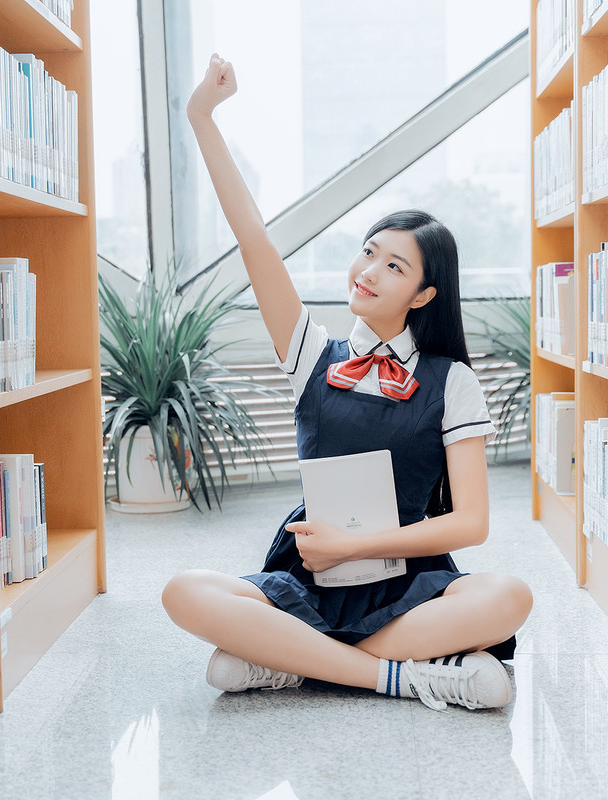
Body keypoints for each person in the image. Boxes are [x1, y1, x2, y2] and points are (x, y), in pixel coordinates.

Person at [161, 54, 533, 711]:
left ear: (423, 295)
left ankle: (288, 661)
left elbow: (470, 523)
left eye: (394, 266)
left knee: (509, 598)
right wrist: (202, 117)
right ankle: (401, 675)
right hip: (311, 569)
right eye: (369, 251)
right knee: (183, 591)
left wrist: (356, 543)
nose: (368, 270)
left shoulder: (452, 384)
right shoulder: (313, 354)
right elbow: (254, 242)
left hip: (406, 578)